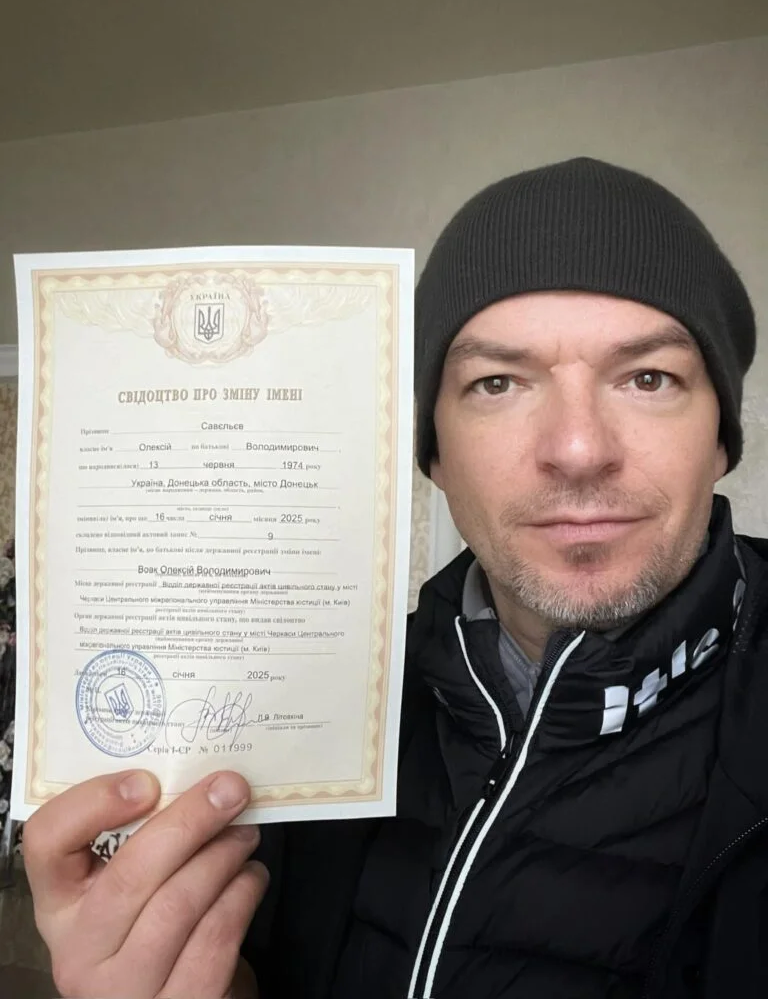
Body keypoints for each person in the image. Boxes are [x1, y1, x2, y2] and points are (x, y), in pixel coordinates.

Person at [22, 157, 768, 999]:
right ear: (433, 454)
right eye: (497, 382)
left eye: (648, 377)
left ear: (721, 439)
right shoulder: (305, 704)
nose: (578, 449)